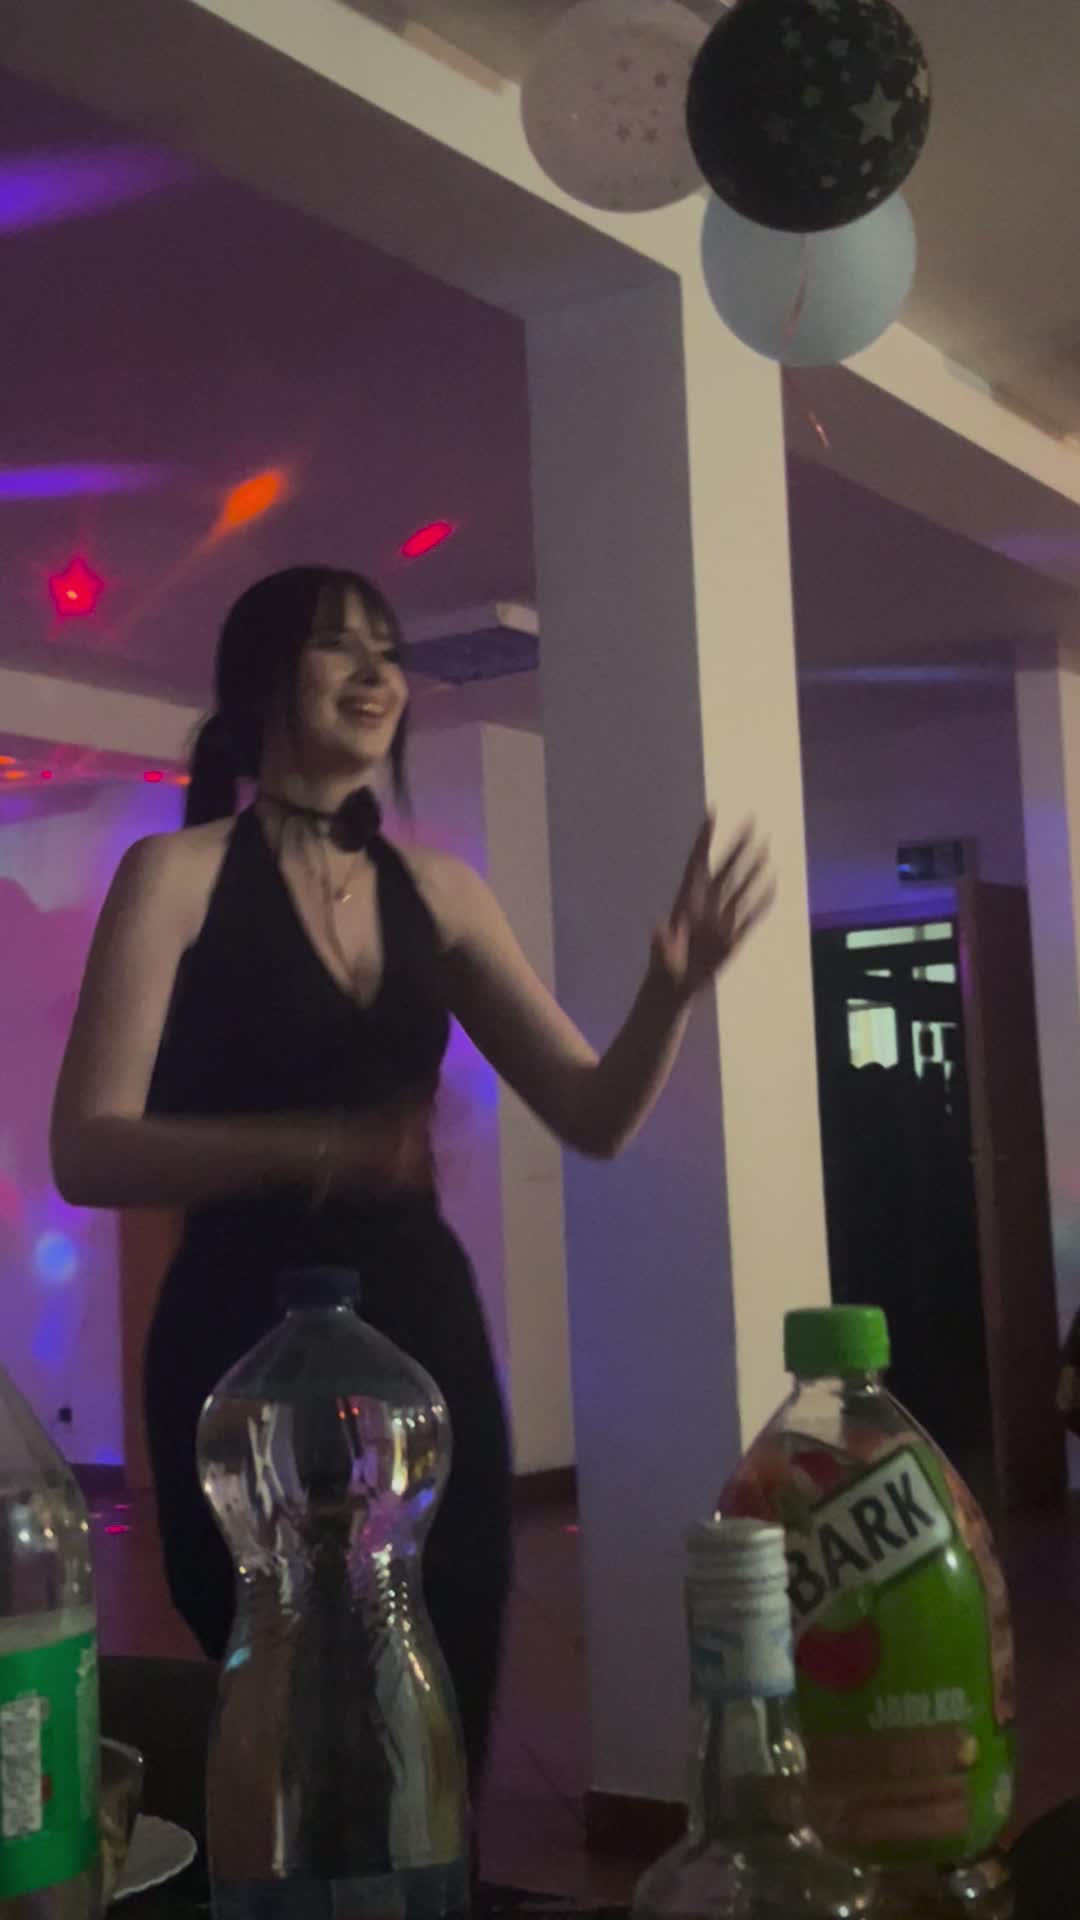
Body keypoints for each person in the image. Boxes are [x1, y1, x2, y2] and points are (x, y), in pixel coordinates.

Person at [51, 564, 773, 1792]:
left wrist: (670, 991)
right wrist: (312, 1147)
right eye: (340, 646)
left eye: (388, 651)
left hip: (415, 1333)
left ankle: (438, 1876)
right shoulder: (172, 876)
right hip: (237, 1338)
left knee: (444, 1649)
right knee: (280, 1691)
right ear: (263, 679)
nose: (379, 673)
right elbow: (86, 1148)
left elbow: (594, 1113)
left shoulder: (441, 891)